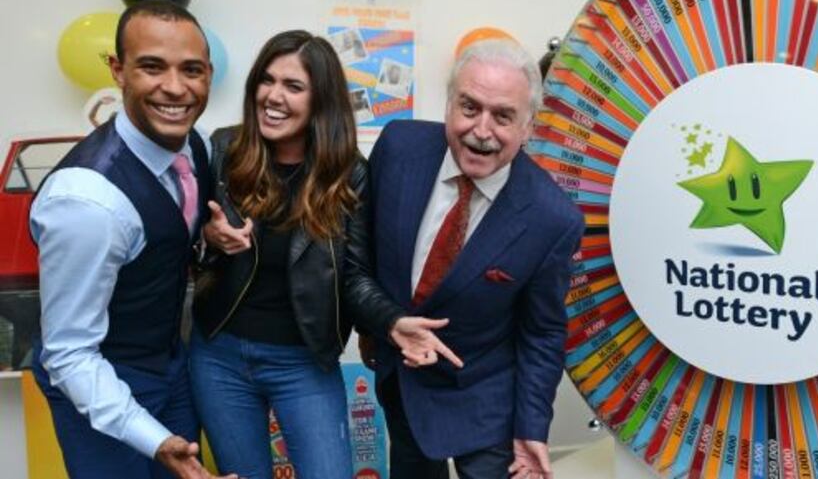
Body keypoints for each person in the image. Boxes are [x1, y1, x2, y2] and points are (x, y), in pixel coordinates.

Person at [192, 30, 460, 479]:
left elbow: (353, 276)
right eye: (266, 80)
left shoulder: (349, 174)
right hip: (220, 355)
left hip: (302, 360)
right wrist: (206, 238)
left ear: (322, 101)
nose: (273, 96)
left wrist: (391, 321)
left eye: (293, 87)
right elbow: (180, 248)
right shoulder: (223, 149)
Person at [361, 38, 584, 479]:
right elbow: (361, 257)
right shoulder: (397, 148)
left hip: (484, 395)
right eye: (469, 107)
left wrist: (531, 428)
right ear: (448, 105)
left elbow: (542, 332)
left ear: (528, 127)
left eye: (503, 116)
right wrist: (378, 326)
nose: (481, 130)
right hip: (401, 380)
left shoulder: (552, 218)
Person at [30, 0, 234, 479]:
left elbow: (163, 235)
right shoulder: (88, 202)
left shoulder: (196, 144)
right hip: (97, 379)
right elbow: (70, 354)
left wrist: (207, 236)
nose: (175, 88)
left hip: (169, 363)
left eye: (192, 70)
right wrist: (152, 438)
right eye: (151, 67)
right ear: (118, 71)